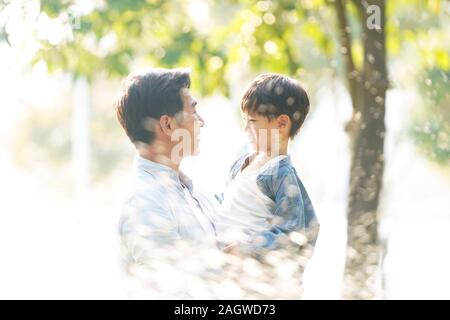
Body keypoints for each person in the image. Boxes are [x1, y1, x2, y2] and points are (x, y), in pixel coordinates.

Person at [115, 68, 218, 272]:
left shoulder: (191, 189)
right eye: (193, 112)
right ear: (168, 124)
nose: (201, 122)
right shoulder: (144, 202)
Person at [215, 73, 320, 256]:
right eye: (244, 120)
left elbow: (291, 234)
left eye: (252, 121)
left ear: (281, 123)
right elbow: (228, 205)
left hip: (246, 267)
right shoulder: (242, 163)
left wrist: (245, 249)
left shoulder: (281, 175)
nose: (245, 128)